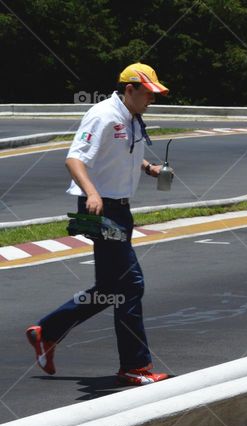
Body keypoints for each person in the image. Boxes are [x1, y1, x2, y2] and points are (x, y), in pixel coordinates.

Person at [26, 63, 171, 386]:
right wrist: (91, 193)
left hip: (120, 209)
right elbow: (74, 158)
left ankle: (46, 332)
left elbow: (120, 155)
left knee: (110, 289)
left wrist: (147, 168)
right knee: (131, 285)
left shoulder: (131, 117)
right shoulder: (103, 115)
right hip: (102, 208)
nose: (152, 100)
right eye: (149, 94)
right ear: (130, 89)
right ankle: (135, 365)